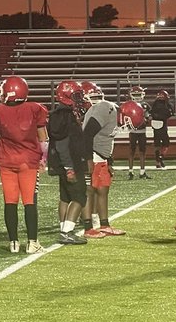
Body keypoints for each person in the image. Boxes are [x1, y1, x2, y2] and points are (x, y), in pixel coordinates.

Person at [0, 74, 49, 254]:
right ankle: (32, 242)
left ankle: (13, 242)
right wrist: (44, 159)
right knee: (29, 202)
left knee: (10, 202)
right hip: (28, 161)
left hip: (6, 161)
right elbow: (43, 136)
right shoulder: (35, 108)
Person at [47, 80, 89, 245]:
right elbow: (63, 144)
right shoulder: (67, 116)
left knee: (65, 197)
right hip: (69, 163)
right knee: (79, 197)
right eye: (76, 95)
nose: (79, 98)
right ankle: (67, 232)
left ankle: (63, 228)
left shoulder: (58, 114)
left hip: (62, 163)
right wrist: (70, 167)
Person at [81, 81, 125, 238]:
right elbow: (87, 135)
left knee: (103, 190)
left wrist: (109, 160)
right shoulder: (105, 108)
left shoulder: (105, 108)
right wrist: (88, 160)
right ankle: (88, 227)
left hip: (101, 155)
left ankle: (104, 225)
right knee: (90, 191)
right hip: (93, 154)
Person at [120, 88, 150, 179]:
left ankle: (142, 171)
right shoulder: (129, 105)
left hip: (142, 131)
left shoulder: (145, 105)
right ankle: (130, 171)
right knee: (131, 151)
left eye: (139, 94)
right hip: (132, 131)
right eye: (135, 95)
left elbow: (148, 118)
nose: (137, 97)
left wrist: (145, 119)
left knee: (142, 151)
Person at [149, 89, 172, 168]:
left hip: (155, 125)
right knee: (166, 143)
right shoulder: (166, 105)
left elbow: (151, 113)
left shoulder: (155, 104)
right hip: (163, 125)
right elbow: (170, 113)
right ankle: (160, 157)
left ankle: (157, 160)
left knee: (157, 144)